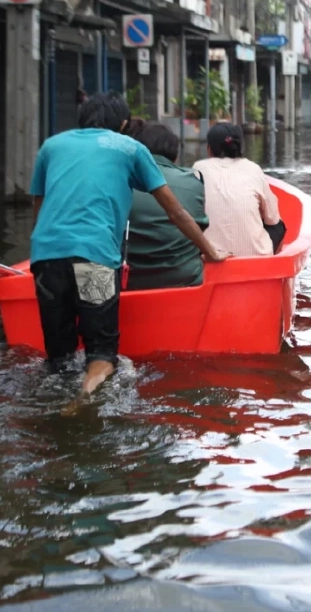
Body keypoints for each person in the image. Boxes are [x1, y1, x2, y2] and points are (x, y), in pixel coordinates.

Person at [28, 92, 228, 397]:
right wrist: (210, 251)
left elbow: (38, 210)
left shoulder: (51, 146)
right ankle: (83, 401)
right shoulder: (130, 148)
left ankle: (56, 405)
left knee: (59, 358)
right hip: (94, 259)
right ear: (123, 123)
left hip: (46, 258)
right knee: (102, 355)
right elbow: (175, 211)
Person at [122, 119, 209, 290]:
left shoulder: (119, 180)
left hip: (129, 281)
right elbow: (200, 229)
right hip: (184, 279)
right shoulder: (194, 180)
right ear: (175, 156)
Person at [191, 123, 284, 257]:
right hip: (256, 258)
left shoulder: (198, 168)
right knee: (279, 226)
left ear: (209, 149)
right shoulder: (253, 169)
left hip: (209, 256)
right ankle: (274, 264)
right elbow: (272, 219)